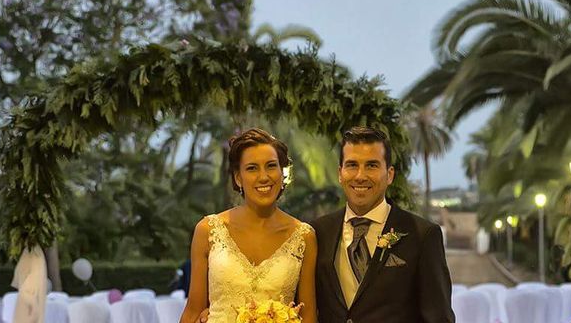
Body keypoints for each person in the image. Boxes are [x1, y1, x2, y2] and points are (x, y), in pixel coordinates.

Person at [312, 126, 455, 323]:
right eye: (352, 165)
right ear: (340, 173)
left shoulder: (423, 235)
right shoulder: (318, 232)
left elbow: (439, 318)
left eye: (371, 165)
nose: (360, 176)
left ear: (389, 174)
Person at [179, 128, 318, 323]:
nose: (263, 177)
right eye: (252, 168)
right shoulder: (208, 230)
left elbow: (309, 315)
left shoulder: (304, 237)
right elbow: (193, 311)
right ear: (238, 177)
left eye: (271, 166)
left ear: (282, 172)